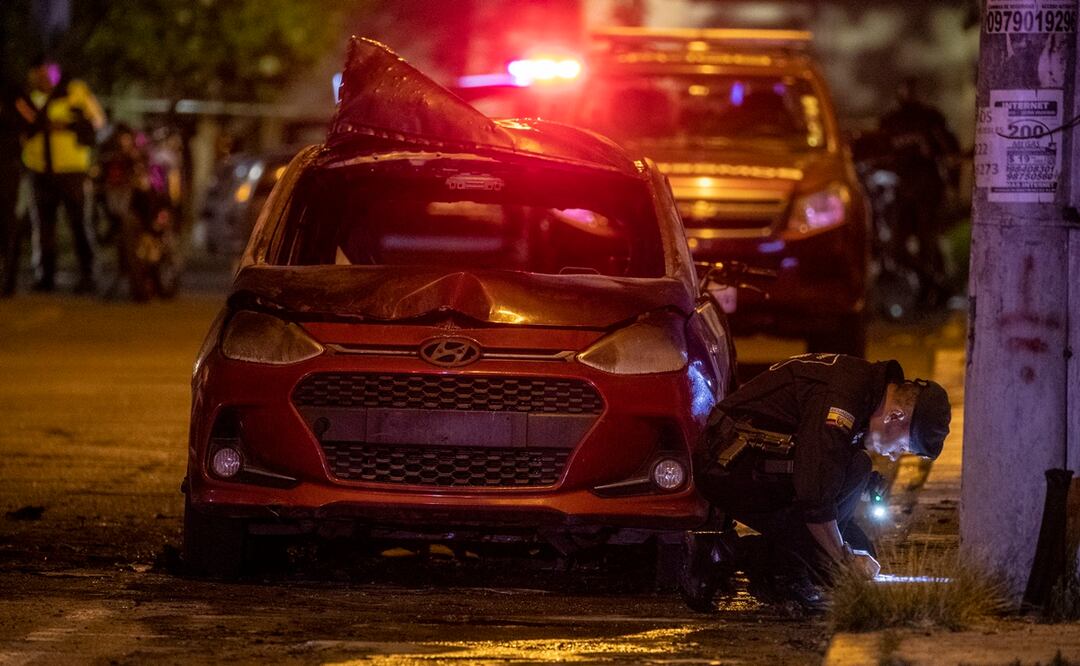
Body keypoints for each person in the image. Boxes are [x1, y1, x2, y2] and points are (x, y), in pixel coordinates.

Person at [686, 352, 951, 610]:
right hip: (728, 466)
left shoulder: (866, 387)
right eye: (902, 447)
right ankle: (738, 559)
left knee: (861, 544)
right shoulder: (843, 398)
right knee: (834, 564)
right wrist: (842, 560)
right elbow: (814, 494)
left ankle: (780, 562)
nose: (894, 458)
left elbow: (824, 459)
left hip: (759, 463)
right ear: (895, 416)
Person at [15, 56, 106, 293]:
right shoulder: (27, 99)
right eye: (39, 74)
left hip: (71, 169)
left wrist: (68, 125)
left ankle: (89, 275)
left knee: (79, 224)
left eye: (48, 74)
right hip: (39, 169)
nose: (43, 79)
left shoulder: (75, 92)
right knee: (43, 226)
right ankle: (45, 276)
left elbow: (98, 121)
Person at [877, 78, 959, 306]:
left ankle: (933, 290)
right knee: (896, 246)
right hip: (900, 192)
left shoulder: (931, 119)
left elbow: (950, 152)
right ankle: (929, 284)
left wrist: (952, 185)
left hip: (926, 191)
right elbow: (878, 151)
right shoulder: (891, 121)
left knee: (927, 243)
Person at [0, 78, 26, 296]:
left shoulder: (12, 91)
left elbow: (33, 121)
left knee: (6, 221)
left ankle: (7, 280)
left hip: (7, 166)